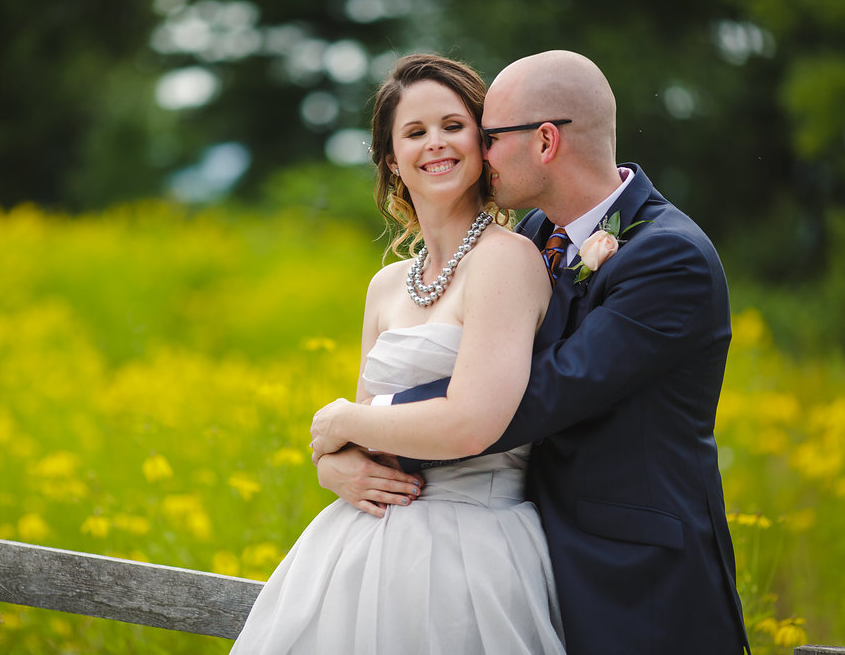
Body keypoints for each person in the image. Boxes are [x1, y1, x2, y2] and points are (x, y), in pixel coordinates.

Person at [311, 50, 751, 654]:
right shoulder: (537, 236)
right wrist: (340, 464)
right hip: (530, 553)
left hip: (637, 578)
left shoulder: (670, 259)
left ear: (545, 141)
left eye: (488, 136)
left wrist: (351, 426)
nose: (478, 152)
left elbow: (535, 396)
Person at [231, 54, 566, 654]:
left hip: (473, 549)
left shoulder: (507, 260)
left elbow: (471, 424)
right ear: (392, 162)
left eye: (453, 125)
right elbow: (370, 442)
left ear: (483, 143)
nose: (435, 143)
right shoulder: (385, 287)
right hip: (361, 547)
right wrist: (333, 468)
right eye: (414, 133)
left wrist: (334, 422)